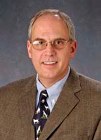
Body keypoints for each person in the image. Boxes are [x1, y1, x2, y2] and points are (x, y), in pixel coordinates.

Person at [0, 9, 101, 140]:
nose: (49, 51)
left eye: (58, 42)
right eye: (40, 43)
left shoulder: (97, 101)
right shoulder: (4, 98)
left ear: (72, 48)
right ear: (29, 49)